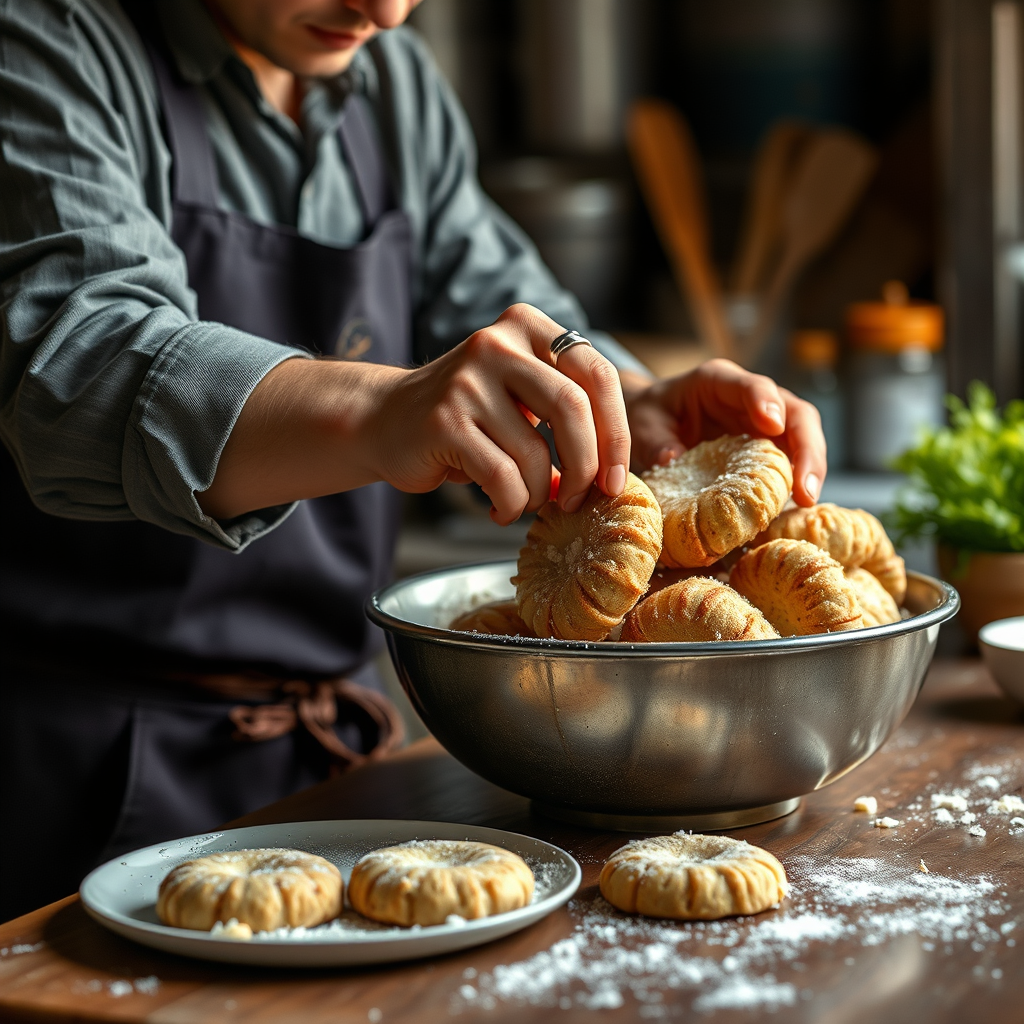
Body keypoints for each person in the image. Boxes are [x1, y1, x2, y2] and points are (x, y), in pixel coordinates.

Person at [0, 0, 826, 922]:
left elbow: (501, 301)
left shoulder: (389, 86)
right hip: (88, 786)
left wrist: (626, 403)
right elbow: (77, 371)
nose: (386, 11)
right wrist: (384, 411)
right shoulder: (47, 43)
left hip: (343, 771)